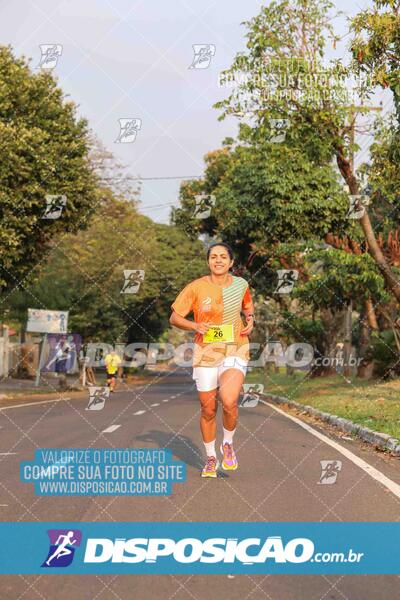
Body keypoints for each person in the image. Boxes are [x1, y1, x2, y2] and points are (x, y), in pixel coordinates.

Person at [170, 242, 254, 478]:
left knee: (229, 401)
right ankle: (210, 458)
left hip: (235, 348)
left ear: (231, 262)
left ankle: (227, 443)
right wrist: (195, 325)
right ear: (208, 261)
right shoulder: (196, 287)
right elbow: (175, 317)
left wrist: (251, 318)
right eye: (214, 257)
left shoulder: (241, 284)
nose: (218, 260)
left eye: (223, 257)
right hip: (206, 352)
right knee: (208, 408)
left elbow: (247, 305)